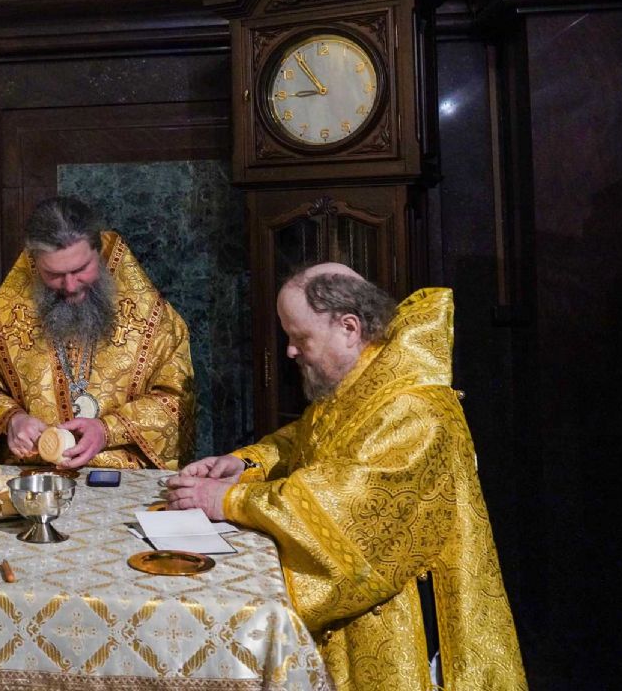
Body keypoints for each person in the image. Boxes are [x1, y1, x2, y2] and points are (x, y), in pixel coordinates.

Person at [166, 263, 526, 691]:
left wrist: (226, 500)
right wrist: (246, 464)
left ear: (349, 327)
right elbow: (312, 438)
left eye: (301, 338)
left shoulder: (415, 411)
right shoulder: (364, 378)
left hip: (403, 632)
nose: (290, 351)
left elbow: (347, 507)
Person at [0, 195, 194, 469]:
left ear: (99, 251)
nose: (70, 286)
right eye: (54, 274)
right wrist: (11, 419)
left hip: (120, 477)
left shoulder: (154, 319)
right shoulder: (0, 318)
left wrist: (109, 429)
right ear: (35, 261)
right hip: (34, 476)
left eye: (80, 269)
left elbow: (176, 400)